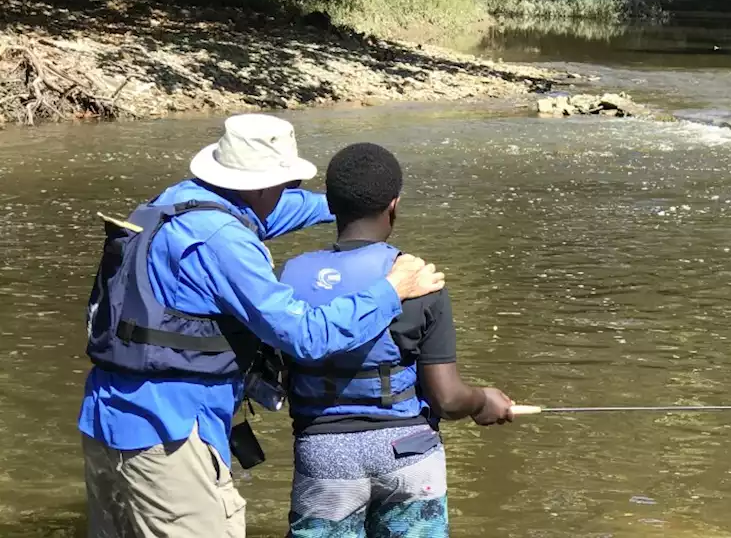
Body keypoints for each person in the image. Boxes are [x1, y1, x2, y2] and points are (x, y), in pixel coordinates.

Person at [80, 114, 446, 538]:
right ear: (259, 186)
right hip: (168, 432)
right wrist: (391, 288)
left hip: (106, 420)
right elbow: (305, 336)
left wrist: (347, 203)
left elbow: (281, 211)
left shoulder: (175, 203)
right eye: (285, 183)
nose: (288, 191)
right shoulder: (224, 241)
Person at [279, 142, 516, 538]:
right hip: (408, 451)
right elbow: (448, 398)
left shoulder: (289, 280)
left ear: (330, 207)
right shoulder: (419, 280)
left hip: (324, 455)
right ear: (394, 205)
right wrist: (484, 400)